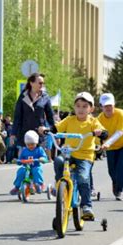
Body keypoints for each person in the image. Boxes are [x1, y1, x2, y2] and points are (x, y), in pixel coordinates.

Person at [39, 92, 107, 220]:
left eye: (84, 106)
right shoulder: (69, 120)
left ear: (91, 109)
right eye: (78, 106)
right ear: (74, 107)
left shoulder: (93, 121)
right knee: (58, 161)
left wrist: (101, 133)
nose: (81, 109)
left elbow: (104, 132)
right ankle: (60, 185)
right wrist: (46, 129)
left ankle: (86, 206)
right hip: (68, 153)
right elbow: (57, 128)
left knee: (82, 177)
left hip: (85, 156)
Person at [11, 73, 55, 154]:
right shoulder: (23, 96)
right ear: (32, 83)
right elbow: (17, 116)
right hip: (24, 135)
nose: (42, 85)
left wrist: (55, 133)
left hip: (40, 135)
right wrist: (13, 134)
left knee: (38, 161)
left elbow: (50, 117)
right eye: (40, 83)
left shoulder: (45, 97)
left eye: (43, 83)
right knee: (24, 161)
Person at [97, 93, 123, 200]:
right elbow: (96, 135)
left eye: (110, 105)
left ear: (114, 104)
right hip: (110, 148)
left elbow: (120, 132)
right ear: (101, 106)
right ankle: (115, 182)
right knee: (112, 171)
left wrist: (107, 143)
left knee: (122, 167)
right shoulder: (99, 119)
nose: (108, 108)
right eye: (105, 106)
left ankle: (119, 189)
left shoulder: (121, 114)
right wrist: (98, 145)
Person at [9, 130, 48, 195]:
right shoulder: (24, 150)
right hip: (26, 167)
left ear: (36, 142)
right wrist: (17, 161)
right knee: (21, 171)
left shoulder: (39, 149)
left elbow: (44, 158)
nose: (30, 146)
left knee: (37, 170)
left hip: (35, 166)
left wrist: (42, 159)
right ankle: (17, 187)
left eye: (32, 144)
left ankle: (39, 184)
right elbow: (20, 159)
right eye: (28, 144)